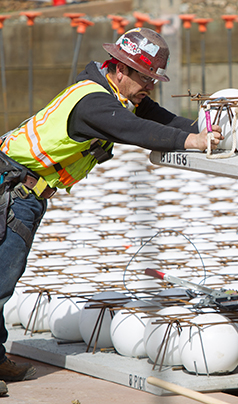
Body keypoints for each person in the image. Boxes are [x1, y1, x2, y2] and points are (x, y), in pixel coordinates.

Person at [0, 27, 222, 389]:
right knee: (0, 280)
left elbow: (159, 119)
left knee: (4, 278)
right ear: (120, 68)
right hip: (12, 191)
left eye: (153, 78)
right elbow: (134, 130)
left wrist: (207, 129)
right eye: (145, 77)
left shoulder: (116, 95)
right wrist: (191, 140)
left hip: (25, 192)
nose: (150, 85)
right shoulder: (94, 103)